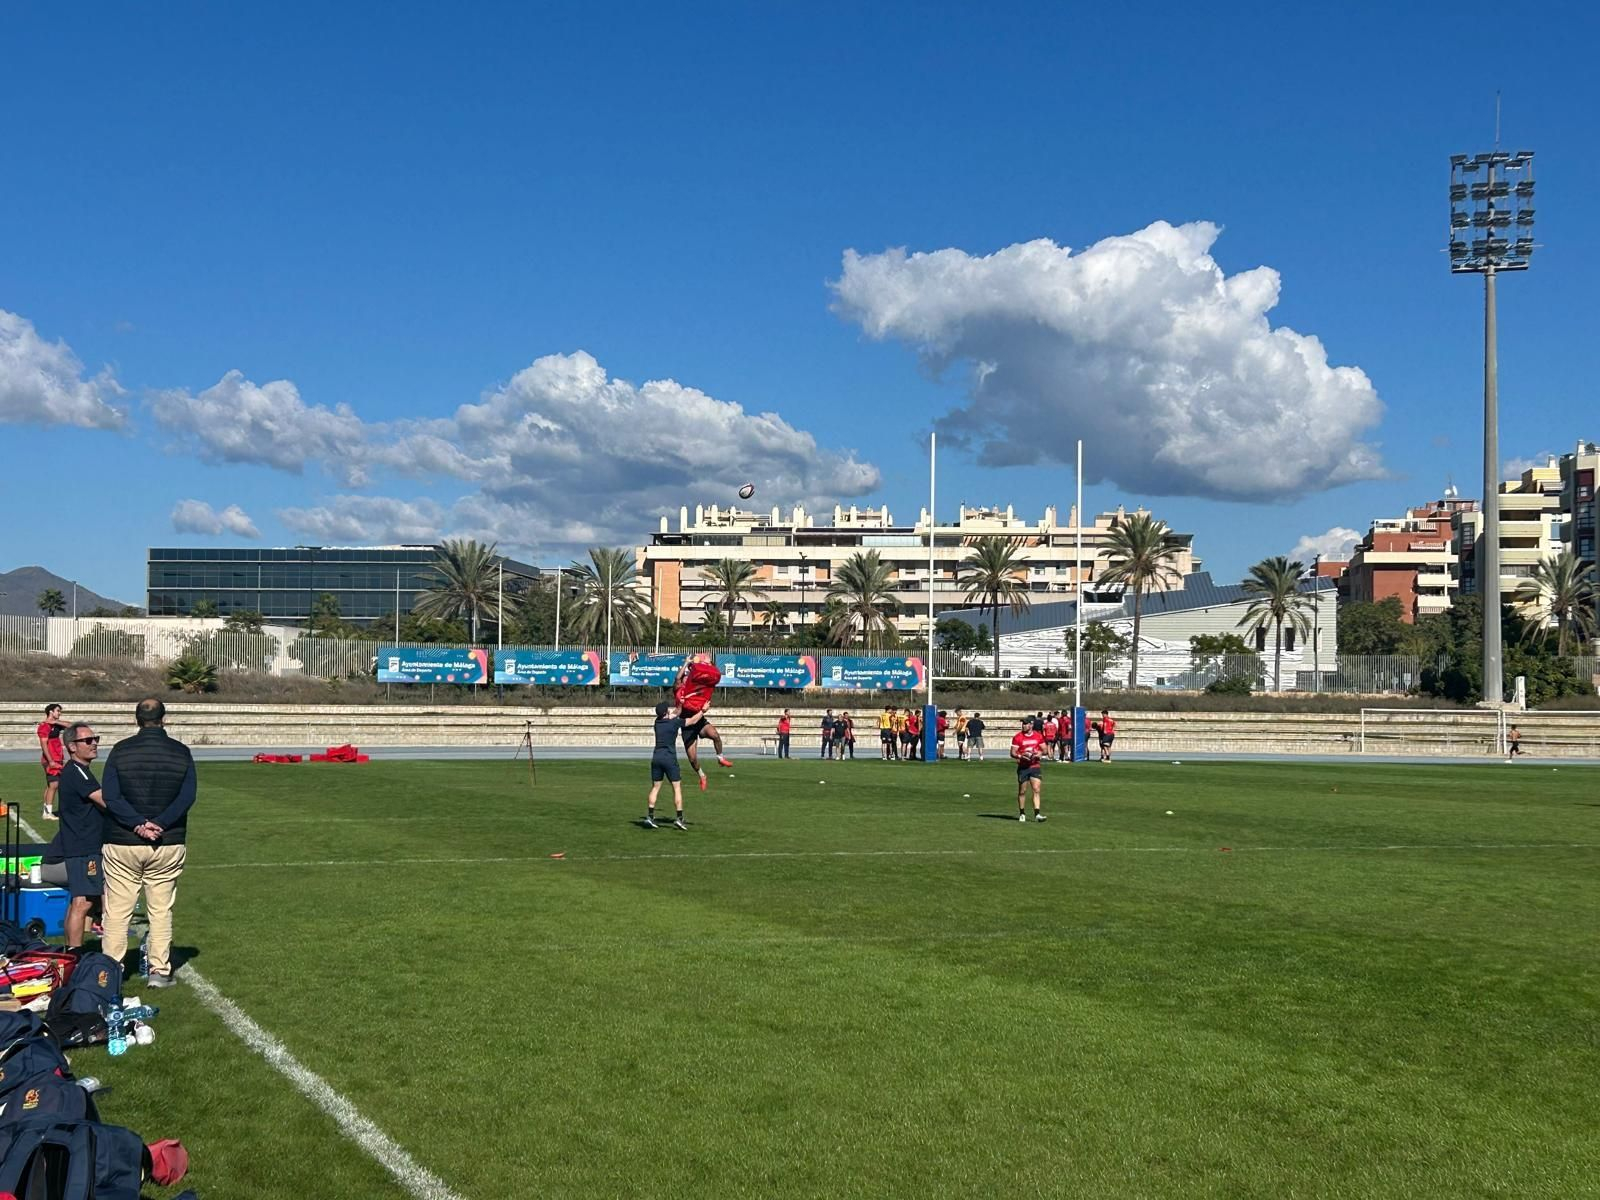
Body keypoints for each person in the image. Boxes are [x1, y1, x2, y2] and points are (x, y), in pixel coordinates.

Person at [99, 698, 196, 988]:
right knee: (160, 909)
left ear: (136, 719)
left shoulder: (121, 751)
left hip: (123, 841)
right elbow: (186, 796)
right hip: (167, 842)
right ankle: (159, 970)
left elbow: (112, 797)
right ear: (164, 719)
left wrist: (138, 824)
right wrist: (161, 823)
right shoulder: (180, 752)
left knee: (117, 911)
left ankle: (111, 972)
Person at [55, 722, 107, 948]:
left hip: (81, 845)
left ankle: (70, 954)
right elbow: (106, 801)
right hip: (83, 847)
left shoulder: (80, 771)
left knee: (79, 901)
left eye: (95, 739)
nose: (94, 743)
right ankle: (74, 956)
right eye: (87, 740)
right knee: (83, 903)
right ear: (72, 747)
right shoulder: (77, 773)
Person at [674, 657, 733, 790]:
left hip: (699, 719)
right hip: (687, 724)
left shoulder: (697, 687)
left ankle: (720, 758)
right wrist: (686, 664)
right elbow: (678, 679)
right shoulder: (678, 688)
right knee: (693, 759)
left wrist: (707, 664)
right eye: (685, 677)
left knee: (715, 735)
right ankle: (702, 775)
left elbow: (710, 678)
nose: (686, 679)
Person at [645, 701, 690, 829]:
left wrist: (680, 706)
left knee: (655, 788)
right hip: (669, 758)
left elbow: (674, 713)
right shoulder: (674, 723)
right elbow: (691, 721)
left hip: (656, 758)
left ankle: (650, 816)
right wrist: (702, 712)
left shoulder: (657, 723)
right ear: (666, 713)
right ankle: (679, 818)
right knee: (676, 788)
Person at [1011, 718, 1047, 822]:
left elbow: (1044, 750)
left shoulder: (1038, 736)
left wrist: (1040, 753)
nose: (1023, 725)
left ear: (1031, 725)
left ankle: (1037, 814)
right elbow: (1013, 753)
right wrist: (1021, 756)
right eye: (1023, 724)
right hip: (1023, 767)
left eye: (1025, 724)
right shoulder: (1018, 737)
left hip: (1035, 766)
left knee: (1036, 789)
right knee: (1022, 791)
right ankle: (1022, 813)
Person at [36, 703, 68, 821]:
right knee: (54, 785)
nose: (59, 713)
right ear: (51, 712)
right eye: (58, 711)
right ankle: (48, 813)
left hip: (57, 758)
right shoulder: (44, 726)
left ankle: (46, 812)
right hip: (50, 759)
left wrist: (56, 722)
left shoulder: (56, 725)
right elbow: (43, 744)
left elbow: (71, 726)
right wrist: (50, 761)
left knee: (51, 785)